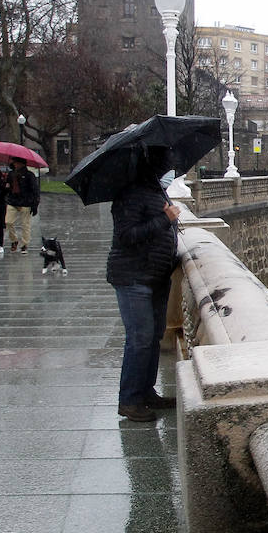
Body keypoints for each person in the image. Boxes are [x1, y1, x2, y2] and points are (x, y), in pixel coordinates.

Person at [107, 147, 181, 422]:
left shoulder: (155, 191)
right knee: (139, 338)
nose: (168, 169)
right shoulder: (129, 194)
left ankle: (146, 392)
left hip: (155, 275)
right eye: (164, 163)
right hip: (133, 276)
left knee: (152, 336)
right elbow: (126, 236)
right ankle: (129, 400)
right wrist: (165, 219)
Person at [4, 156, 40, 253]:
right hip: (13, 201)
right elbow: (8, 187)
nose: (14, 164)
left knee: (25, 224)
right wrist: (6, 186)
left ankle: (24, 244)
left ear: (21, 163)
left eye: (16, 162)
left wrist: (35, 204)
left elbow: (35, 190)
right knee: (8, 222)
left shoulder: (29, 175)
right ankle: (14, 240)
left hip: (25, 202)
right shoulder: (11, 174)